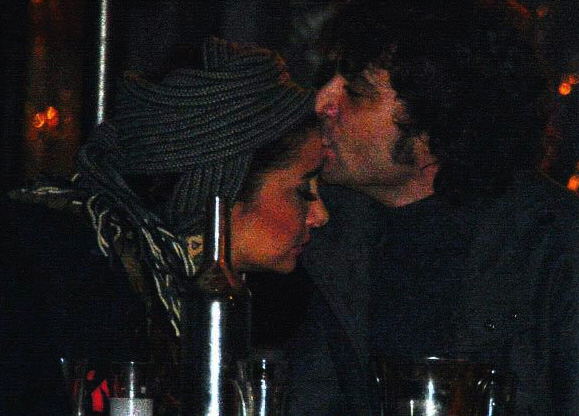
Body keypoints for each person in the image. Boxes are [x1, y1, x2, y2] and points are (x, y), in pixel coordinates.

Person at [0, 37, 328, 415]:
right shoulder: (65, 272)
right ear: (221, 187)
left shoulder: (175, 289)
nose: (320, 215)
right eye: (303, 190)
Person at [286, 0, 579, 414]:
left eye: (357, 91)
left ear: (436, 114)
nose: (322, 103)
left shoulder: (555, 246)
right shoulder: (330, 232)